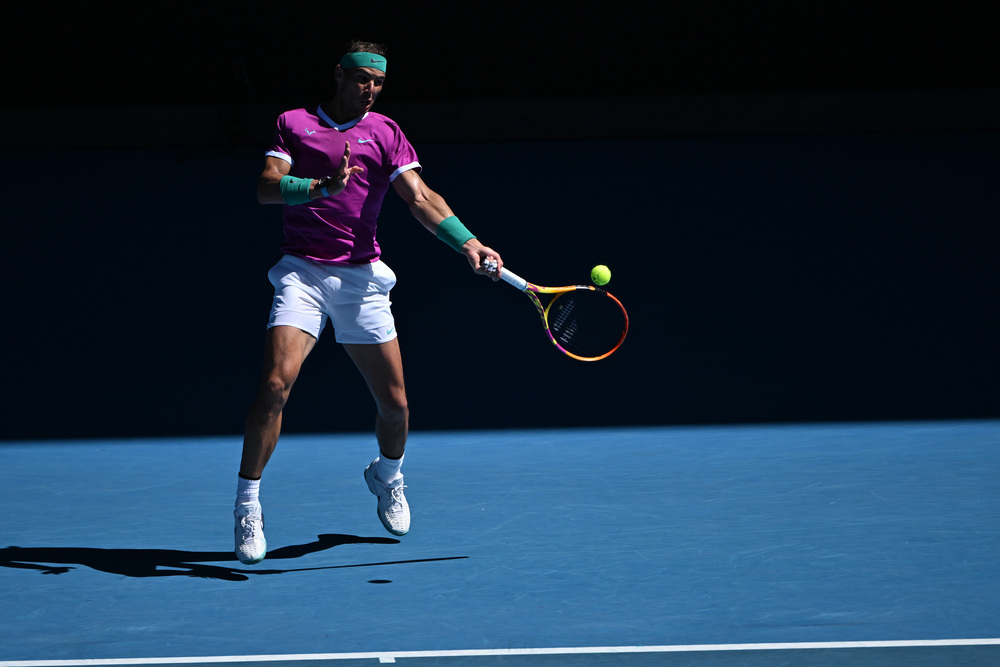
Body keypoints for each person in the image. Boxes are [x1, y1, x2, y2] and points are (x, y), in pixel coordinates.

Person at [234, 41, 504, 565]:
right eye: (361, 79)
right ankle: (248, 505)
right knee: (273, 386)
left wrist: (469, 243)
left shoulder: (385, 132)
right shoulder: (293, 124)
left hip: (362, 280)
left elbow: (420, 198)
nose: (370, 91)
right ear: (338, 74)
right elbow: (267, 188)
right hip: (303, 273)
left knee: (396, 405)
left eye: (378, 83)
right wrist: (319, 187)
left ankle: (387, 476)